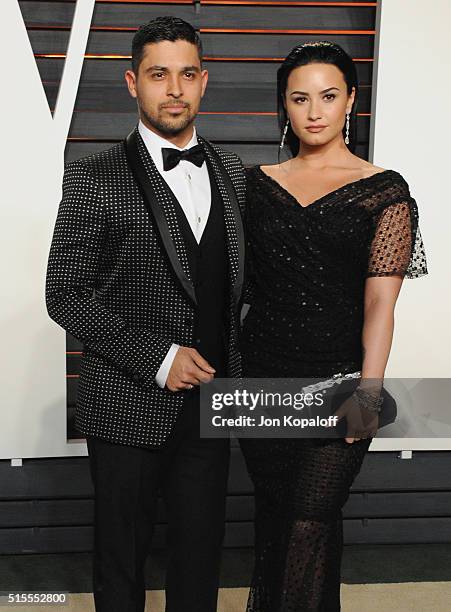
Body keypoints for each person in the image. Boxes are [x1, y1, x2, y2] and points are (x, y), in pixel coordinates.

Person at [45, 16, 245, 612]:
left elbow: (235, 286)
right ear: (134, 83)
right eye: (160, 75)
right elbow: (65, 294)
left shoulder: (233, 173)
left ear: (205, 82)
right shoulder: (93, 177)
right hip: (127, 403)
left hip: (213, 406)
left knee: (200, 560)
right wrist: (157, 359)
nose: (175, 89)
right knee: (121, 567)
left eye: (187, 74)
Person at [238, 41, 428, 611]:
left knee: (310, 517)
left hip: (340, 379)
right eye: (300, 98)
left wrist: (369, 389)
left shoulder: (384, 191)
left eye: (328, 96)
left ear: (350, 101)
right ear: (285, 106)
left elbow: (379, 306)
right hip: (260, 372)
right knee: (276, 516)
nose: (314, 111)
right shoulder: (253, 186)